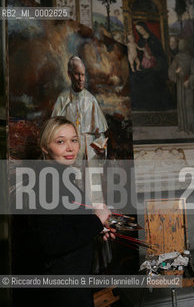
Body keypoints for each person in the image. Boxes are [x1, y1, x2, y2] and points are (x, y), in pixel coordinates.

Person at [12, 116, 115, 307]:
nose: (70, 148)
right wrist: (95, 221)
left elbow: (65, 223)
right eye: (61, 142)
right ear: (45, 147)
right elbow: (51, 243)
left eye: (74, 140)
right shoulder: (44, 183)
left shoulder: (62, 176)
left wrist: (96, 227)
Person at [52, 56, 108, 161]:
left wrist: (102, 149)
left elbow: (100, 135)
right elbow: (55, 132)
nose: (81, 79)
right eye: (77, 74)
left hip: (91, 156)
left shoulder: (91, 100)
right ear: (69, 74)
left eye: (83, 75)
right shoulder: (62, 100)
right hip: (69, 153)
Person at [129, 21, 175, 111]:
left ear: (145, 28)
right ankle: (143, 105)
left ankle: (155, 105)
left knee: (152, 77)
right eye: (138, 30)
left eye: (141, 29)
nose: (140, 31)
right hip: (143, 65)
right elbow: (138, 54)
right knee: (135, 77)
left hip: (155, 65)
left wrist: (154, 59)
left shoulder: (154, 38)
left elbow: (160, 54)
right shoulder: (140, 40)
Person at [168, 39, 194, 133]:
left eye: (182, 44)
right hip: (180, 84)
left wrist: (189, 81)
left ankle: (193, 126)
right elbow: (171, 71)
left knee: (190, 105)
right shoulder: (177, 57)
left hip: (188, 86)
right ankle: (183, 126)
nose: (181, 46)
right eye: (180, 44)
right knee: (181, 104)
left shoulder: (192, 58)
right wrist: (176, 72)